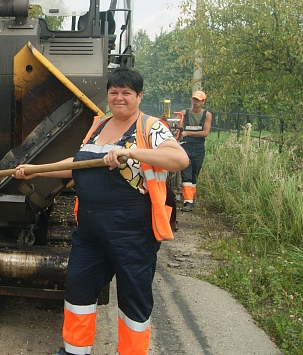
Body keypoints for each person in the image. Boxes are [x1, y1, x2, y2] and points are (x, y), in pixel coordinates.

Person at [13, 68, 189, 355]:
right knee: (78, 291)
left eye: (126, 93)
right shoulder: (98, 125)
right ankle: (74, 351)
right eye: (114, 92)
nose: (119, 98)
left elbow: (179, 158)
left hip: (133, 234)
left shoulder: (150, 128)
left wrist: (130, 152)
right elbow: (79, 164)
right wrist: (37, 171)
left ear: (139, 96)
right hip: (90, 232)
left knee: (133, 300)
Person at [178, 90, 212, 212]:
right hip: (185, 146)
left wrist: (187, 132)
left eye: (198, 100)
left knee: (194, 174)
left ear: (203, 101)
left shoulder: (207, 115)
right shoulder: (184, 114)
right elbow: (176, 127)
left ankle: (190, 199)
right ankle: (188, 202)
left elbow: (205, 133)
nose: (195, 102)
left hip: (198, 147)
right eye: (194, 99)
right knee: (186, 173)